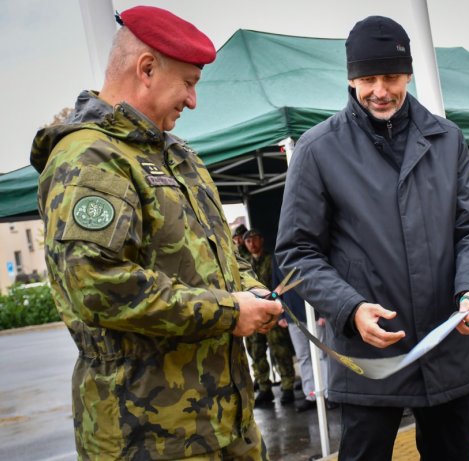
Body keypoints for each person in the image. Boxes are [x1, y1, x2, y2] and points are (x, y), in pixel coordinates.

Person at [30, 6, 283, 460]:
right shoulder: (89, 158)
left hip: (228, 424)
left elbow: (224, 253)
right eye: (188, 83)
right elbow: (97, 285)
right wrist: (229, 311)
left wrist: (252, 291)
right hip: (148, 437)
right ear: (146, 68)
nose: (192, 101)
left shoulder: (178, 156)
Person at [275, 16, 469, 460]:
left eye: (392, 77)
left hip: (445, 345)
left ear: (409, 75)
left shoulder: (446, 138)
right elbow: (297, 253)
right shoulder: (318, 149)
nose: (380, 90)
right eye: (367, 78)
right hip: (370, 359)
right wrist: (349, 308)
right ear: (350, 78)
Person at [243, 229, 296, 405]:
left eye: (254, 239)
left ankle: (287, 386)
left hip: (272, 311)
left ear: (261, 240)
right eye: (248, 241)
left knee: (280, 350)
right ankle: (264, 388)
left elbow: (280, 284)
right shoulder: (245, 264)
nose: (252, 243)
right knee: (256, 352)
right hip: (253, 314)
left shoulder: (272, 260)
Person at [271, 257, 331, 413]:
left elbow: (322, 280)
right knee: (304, 356)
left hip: (315, 313)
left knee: (321, 354)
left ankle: (327, 393)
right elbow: (276, 285)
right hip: (292, 315)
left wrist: (324, 311)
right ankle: (311, 395)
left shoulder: (304, 246)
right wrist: (281, 315)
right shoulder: (277, 256)